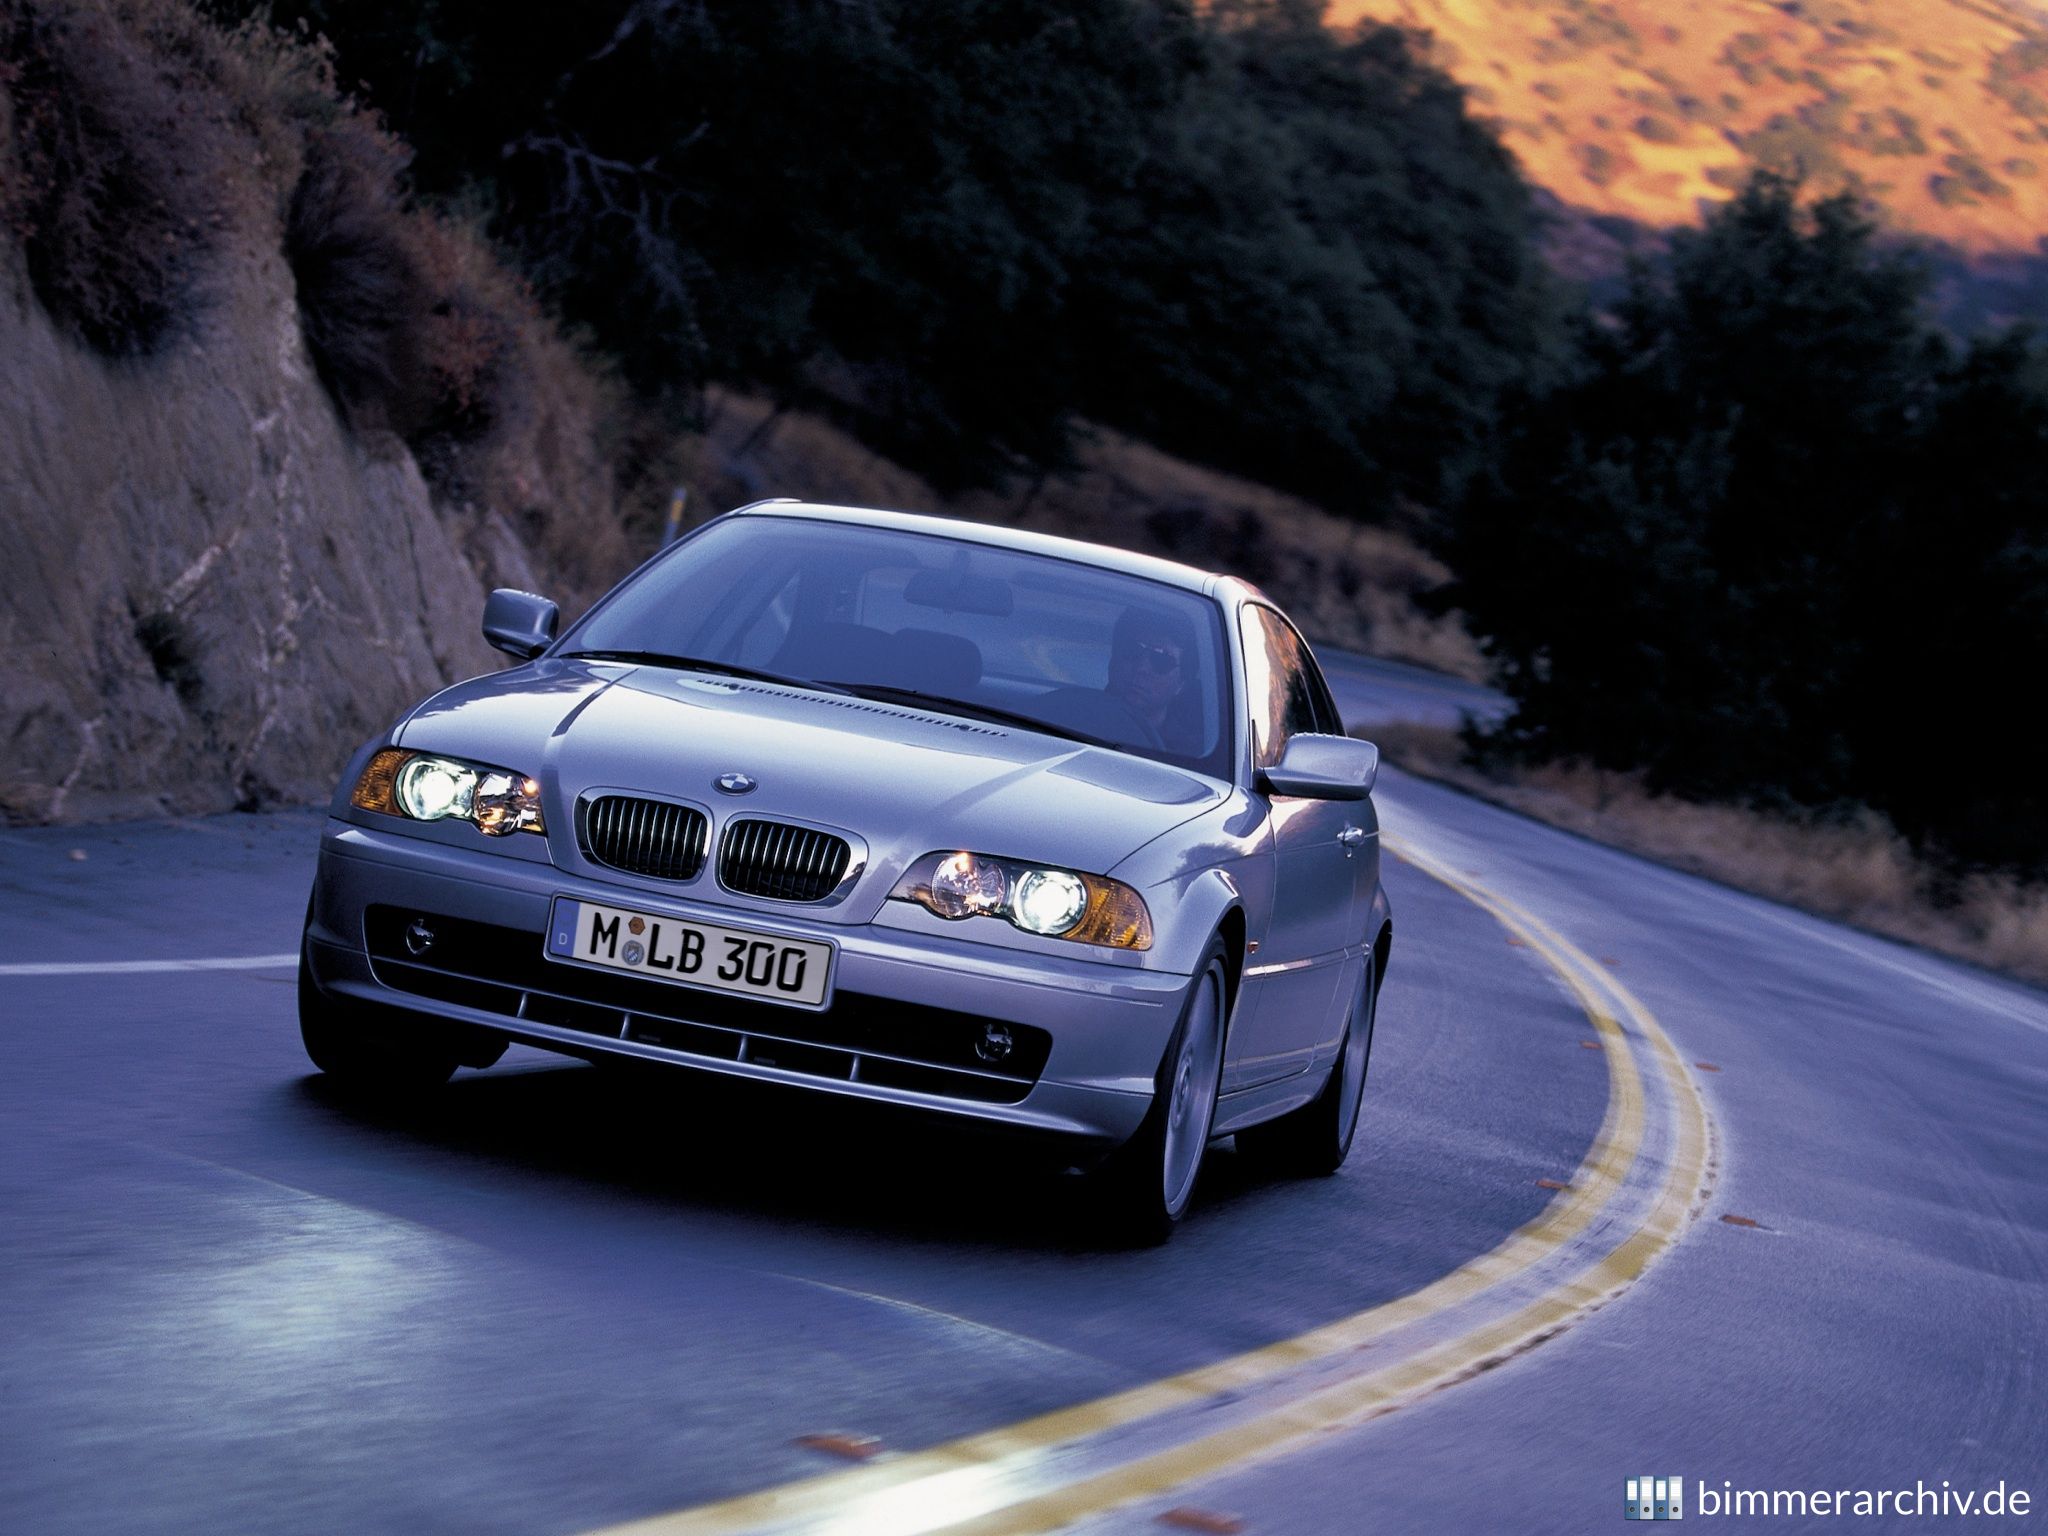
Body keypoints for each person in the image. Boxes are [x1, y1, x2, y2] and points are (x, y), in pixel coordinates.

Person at [1104, 607, 1189, 746]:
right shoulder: (1069, 715)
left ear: (1181, 683)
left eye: (1162, 660)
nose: (1141, 668)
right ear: (1113, 658)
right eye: (1132, 650)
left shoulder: (1191, 756)